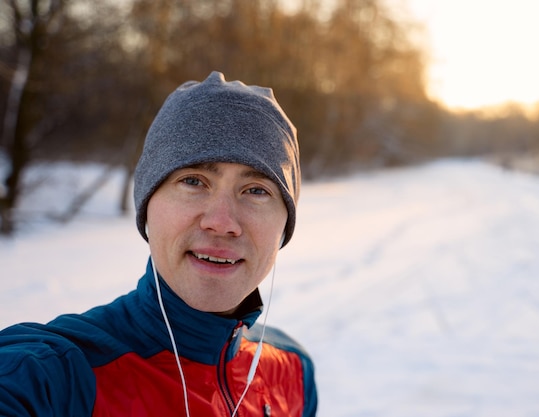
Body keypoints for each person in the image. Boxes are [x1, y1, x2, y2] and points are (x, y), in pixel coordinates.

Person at [0, 71, 317, 417]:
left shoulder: (293, 372)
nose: (222, 222)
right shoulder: (52, 377)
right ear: (148, 206)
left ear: (284, 224)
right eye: (193, 181)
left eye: (257, 190)